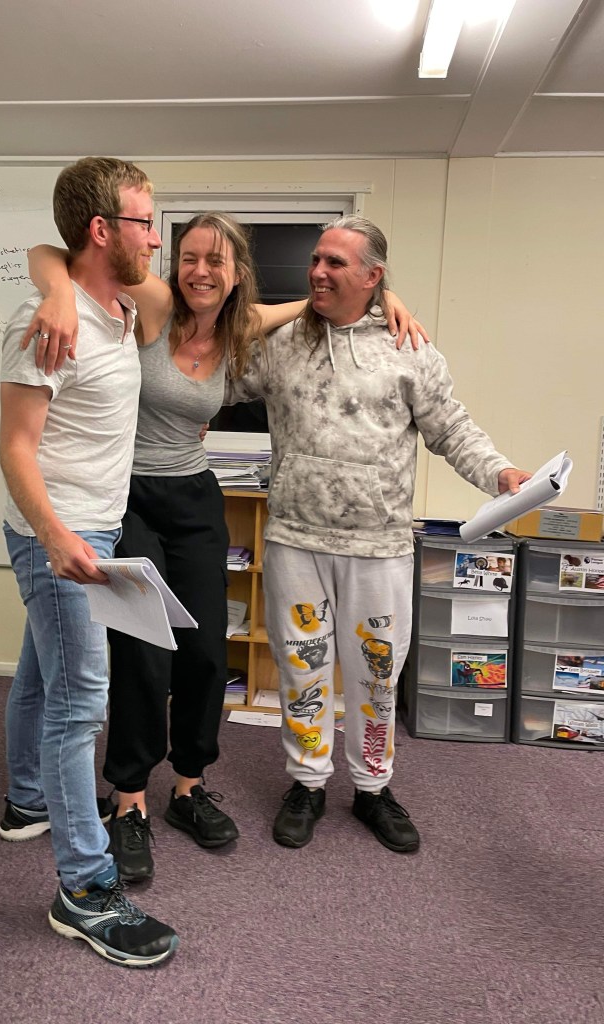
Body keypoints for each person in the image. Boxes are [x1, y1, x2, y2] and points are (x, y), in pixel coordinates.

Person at [24, 214, 427, 882]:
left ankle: (188, 787)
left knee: (208, 653)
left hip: (194, 498)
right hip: (129, 498)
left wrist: (386, 296)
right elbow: (47, 251)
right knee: (143, 654)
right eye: (188, 257)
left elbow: (322, 301)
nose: (199, 271)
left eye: (215, 260)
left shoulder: (242, 329)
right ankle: (129, 800)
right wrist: (59, 293)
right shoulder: (154, 304)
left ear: (237, 272)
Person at [225, 214, 532, 854]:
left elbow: (452, 428)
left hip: (379, 546)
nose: (317, 271)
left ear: (373, 276)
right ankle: (307, 783)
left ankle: (372, 787)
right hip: (296, 540)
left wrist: (500, 473)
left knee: (376, 675)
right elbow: (219, 381)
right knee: (302, 670)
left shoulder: (408, 348)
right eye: (316, 259)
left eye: (335, 262)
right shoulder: (282, 343)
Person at [0, 156, 178, 967]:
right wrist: (54, 536)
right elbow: (16, 447)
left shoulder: (119, 307)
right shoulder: (43, 324)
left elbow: (52, 252)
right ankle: (84, 887)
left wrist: (58, 278)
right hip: (60, 536)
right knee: (79, 706)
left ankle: (24, 803)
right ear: (104, 229)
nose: (157, 238)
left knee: (42, 678)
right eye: (146, 222)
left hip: (95, 529)